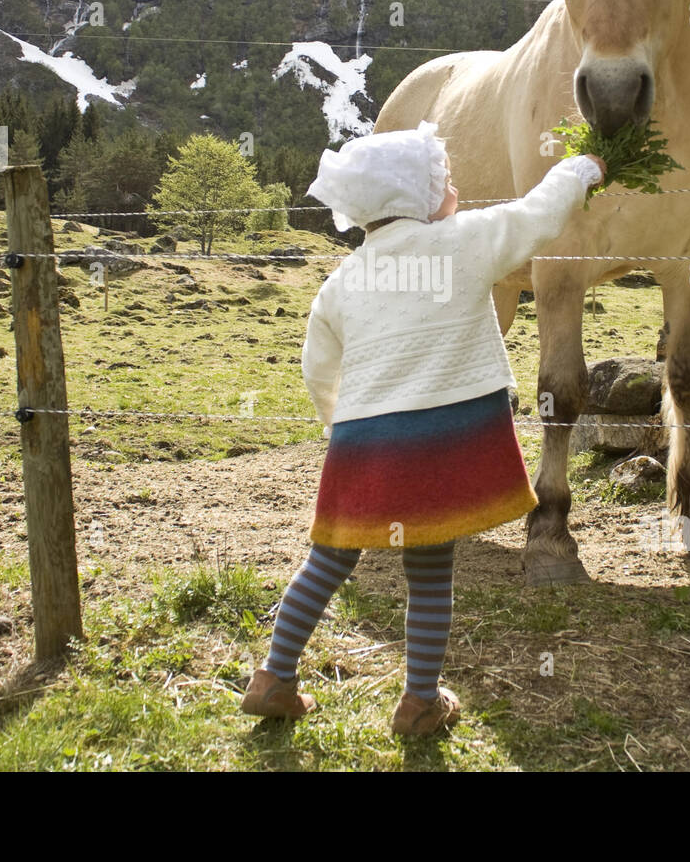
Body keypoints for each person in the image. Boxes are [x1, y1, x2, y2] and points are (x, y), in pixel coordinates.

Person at [241, 120, 606, 736]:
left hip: (361, 443)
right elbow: (538, 215)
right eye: (444, 179)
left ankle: (273, 677)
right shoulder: (464, 242)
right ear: (416, 196)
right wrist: (584, 169)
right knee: (431, 571)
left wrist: (342, 431)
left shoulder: (339, 282)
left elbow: (317, 371)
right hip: (438, 444)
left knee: (327, 558)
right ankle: (419, 702)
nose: (453, 185)